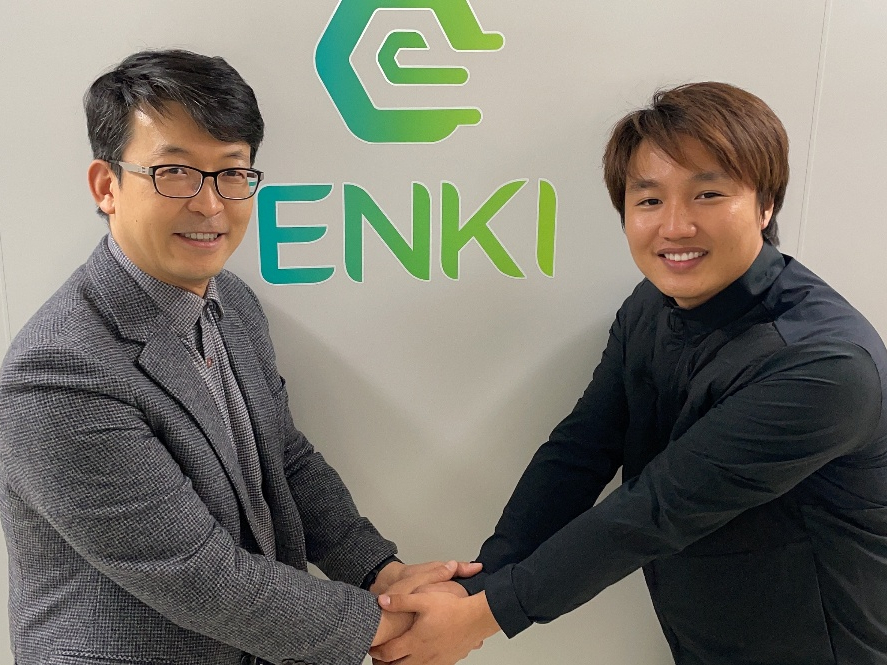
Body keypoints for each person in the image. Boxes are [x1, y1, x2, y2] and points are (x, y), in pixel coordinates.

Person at [370, 82, 887, 665]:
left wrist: (483, 614)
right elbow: (582, 447)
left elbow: (657, 509)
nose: (675, 226)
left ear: (766, 205)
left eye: (708, 194)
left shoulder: (825, 366)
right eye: (649, 200)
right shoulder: (651, 305)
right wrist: (480, 581)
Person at [0, 49, 479, 665]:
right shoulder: (58, 371)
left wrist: (379, 573)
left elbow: (286, 458)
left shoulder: (233, 302)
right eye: (174, 172)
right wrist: (399, 625)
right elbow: (196, 573)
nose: (209, 204)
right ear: (107, 186)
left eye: (231, 172)